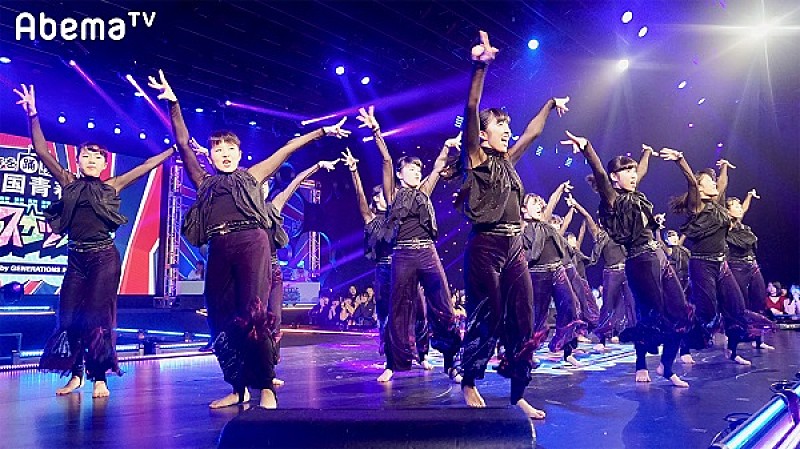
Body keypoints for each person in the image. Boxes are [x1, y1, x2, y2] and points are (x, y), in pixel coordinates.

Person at [148, 69, 349, 409]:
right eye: (218, 149)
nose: (224, 153)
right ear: (210, 155)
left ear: (240, 154)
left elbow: (287, 149)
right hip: (219, 247)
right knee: (220, 316)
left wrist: (322, 131)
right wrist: (173, 103)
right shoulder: (204, 182)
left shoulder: (254, 176)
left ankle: (266, 385)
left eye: (230, 148)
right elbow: (182, 142)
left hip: (252, 243)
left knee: (254, 313)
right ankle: (238, 387)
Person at [15, 83, 174, 398]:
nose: (91, 160)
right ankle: (76, 375)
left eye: (97, 157)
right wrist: (33, 114)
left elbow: (145, 166)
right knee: (69, 317)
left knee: (98, 319)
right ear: (78, 161)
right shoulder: (68, 182)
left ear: (104, 164)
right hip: (76, 258)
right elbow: (42, 151)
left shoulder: (112, 186)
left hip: (103, 258)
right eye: (86, 155)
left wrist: (174, 149)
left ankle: (99, 376)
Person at [452, 31, 569, 419]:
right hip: (485, 248)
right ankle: (469, 379)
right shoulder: (476, 158)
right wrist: (480, 67)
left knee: (523, 317)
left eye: (507, 123)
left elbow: (533, 132)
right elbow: (472, 107)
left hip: (515, 246)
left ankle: (518, 392)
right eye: (499, 124)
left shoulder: (509, 161)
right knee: (486, 315)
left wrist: (549, 104)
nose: (506, 129)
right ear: (483, 135)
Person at [562, 132, 693, 387]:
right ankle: (641, 364)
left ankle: (666, 367)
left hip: (659, 257)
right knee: (648, 316)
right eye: (627, 171)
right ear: (615, 177)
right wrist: (587, 148)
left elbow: (641, 171)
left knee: (681, 312)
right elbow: (600, 174)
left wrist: (646, 154)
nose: (633, 175)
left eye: (633, 170)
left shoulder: (636, 196)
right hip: (639, 261)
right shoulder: (613, 199)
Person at [357, 105, 462, 383]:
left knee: (443, 305)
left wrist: (446, 147)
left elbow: (438, 168)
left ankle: (451, 362)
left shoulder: (424, 191)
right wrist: (376, 131)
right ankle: (393, 363)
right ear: (401, 174)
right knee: (398, 310)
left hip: (427, 251)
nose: (416, 172)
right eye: (411, 169)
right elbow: (386, 161)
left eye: (418, 168)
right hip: (402, 254)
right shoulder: (393, 195)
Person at [667, 155, 774, 365]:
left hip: (721, 264)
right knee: (705, 314)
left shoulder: (717, 206)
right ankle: (681, 346)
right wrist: (681, 160)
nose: (715, 183)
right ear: (700, 188)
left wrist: (724, 168)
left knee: (737, 308)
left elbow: (723, 184)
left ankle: (732, 352)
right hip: (702, 264)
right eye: (710, 181)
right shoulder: (697, 207)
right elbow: (691, 183)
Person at [521, 185, 587, 368]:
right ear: (524, 209)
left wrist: (560, 189)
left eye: (539, 204)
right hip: (537, 274)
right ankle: (528, 353)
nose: (539, 206)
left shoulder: (545, 223)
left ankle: (565, 350)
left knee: (570, 308)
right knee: (537, 317)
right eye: (534, 203)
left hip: (558, 270)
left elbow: (551, 202)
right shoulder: (521, 227)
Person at [725, 189, 775, 350]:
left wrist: (749, 196)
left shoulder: (742, 226)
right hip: (736, 267)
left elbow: (744, 209)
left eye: (740, 205)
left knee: (759, 302)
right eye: (735, 206)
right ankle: (732, 348)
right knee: (739, 306)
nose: (740, 208)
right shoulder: (725, 227)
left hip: (752, 265)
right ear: (727, 211)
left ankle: (758, 340)